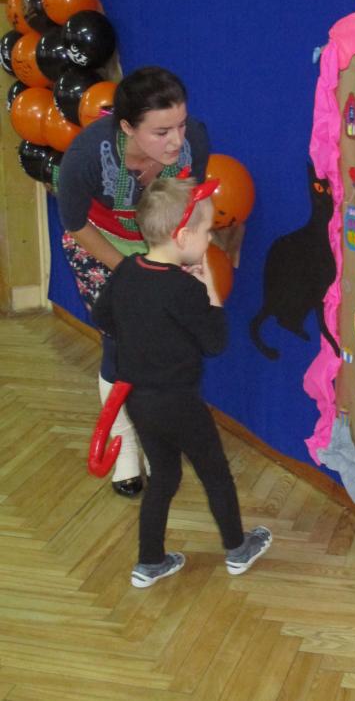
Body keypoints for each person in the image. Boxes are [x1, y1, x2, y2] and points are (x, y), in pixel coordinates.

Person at [92, 176, 272, 586]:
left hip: (139, 401)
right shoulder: (185, 288)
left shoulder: (126, 271)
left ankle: (149, 562)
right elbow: (215, 342)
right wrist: (208, 287)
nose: (209, 239)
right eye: (206, 232)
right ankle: (238, 549)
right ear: (183, 236)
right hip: (180, 403)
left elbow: (103, 318)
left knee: (165, 477)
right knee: (215, 473)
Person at [57, 66, 210, 497]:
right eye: (161, 132)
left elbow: (189, 203)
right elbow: (74, 224)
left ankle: (157, 439)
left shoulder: (195, 141)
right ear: (127, 127)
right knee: (120, 341)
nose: (176, 140)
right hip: (99, 243)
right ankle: (125, 449)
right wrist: (127, 272)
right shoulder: (87, 155)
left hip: (157, 243)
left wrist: (183, 257)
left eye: (180, 125)